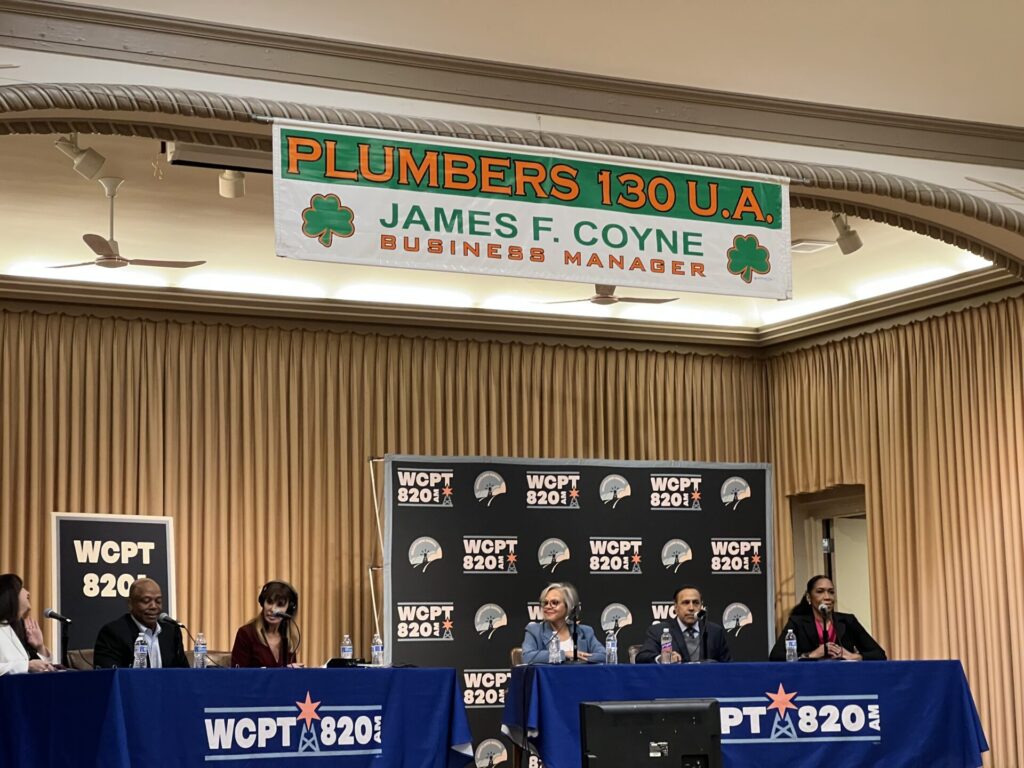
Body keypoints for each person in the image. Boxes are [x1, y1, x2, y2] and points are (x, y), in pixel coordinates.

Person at [769, 574, 887, 661]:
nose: (827, 597)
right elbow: (776, 656)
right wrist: (810, 655)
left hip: (843, 677)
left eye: (831, 592)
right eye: (820, 592)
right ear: (809, 598)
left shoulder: (848, 621)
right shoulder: (797, 622)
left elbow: (879, 654)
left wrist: (854, 656)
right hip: (810, 678)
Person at [93, 577, 189, 668]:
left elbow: (184, 671)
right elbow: (111, 674)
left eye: (158, 601)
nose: (153, 606)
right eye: (146, 601)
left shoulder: (171, 631)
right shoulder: (114, 633)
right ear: (130, 604)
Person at [636, 585, 732, 663]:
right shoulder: (658, 631)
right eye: (685, 603)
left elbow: (728, 665)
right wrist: (662, 658)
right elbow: (642, 657)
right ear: (675, 607)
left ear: (701, 606)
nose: (691, 608)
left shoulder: (714, 631)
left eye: (696, 603)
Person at [521, 582, 606, 664]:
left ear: (568, 606)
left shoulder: (585, 631)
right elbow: (527, 657)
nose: (548, 607)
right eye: (545, 603)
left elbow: (603, 655)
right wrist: (564, 654)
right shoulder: (534, 631)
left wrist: (577, 657)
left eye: (554, 603)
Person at [231, 580, 303, 668]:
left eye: (280, 604)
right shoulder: (246, 634)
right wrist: (282, 671)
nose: (273, 609)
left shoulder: (288, 638)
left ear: (289, 609)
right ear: (263, 603)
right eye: (269, 602)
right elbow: (238, 674)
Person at [0, 573, 57, 674]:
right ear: (10, 594)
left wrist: (40, 647)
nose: (28, 592)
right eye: (21, 587)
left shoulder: (21, 628)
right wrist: (26, 666)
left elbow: (43, 669)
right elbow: (27, 666)